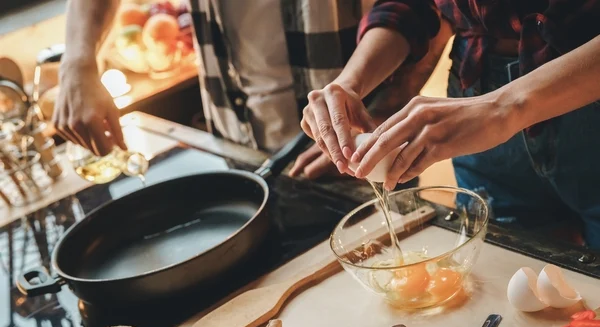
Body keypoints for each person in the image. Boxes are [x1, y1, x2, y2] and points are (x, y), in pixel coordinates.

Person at [301, 0, 600, 247]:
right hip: (477, 94)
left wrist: (503, 107)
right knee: (508, 285)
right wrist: (351, 82)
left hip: (583, 91)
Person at [53, 0, 439, 182]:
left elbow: (425, 8)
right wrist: (77, 61)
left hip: (360, 151)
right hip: (234, 148)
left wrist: (386, 116)